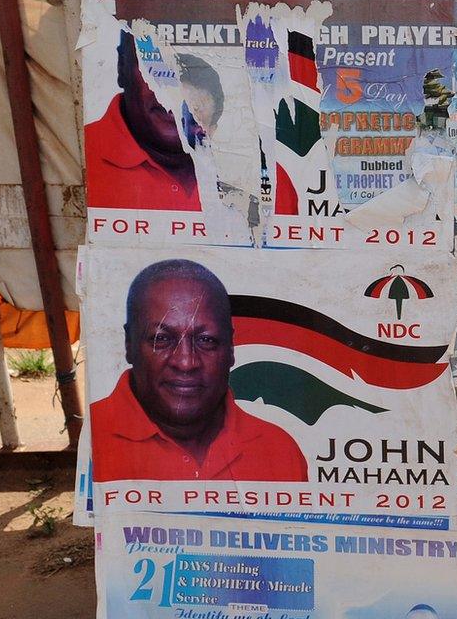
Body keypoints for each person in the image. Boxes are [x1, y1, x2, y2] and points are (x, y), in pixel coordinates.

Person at [90, 259, 307, 481]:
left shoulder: (279, 450)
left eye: (206, 340)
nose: (186, 362)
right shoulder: (94, 436)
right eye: (161, 339)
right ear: (129, 344)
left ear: (231, 349)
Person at [87, 31, 203, 212]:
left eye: (195, 68)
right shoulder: (82, 154)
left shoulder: (249, 162)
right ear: (122, 66)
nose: (175, 88)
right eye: (156, 64)